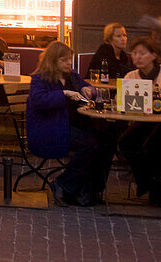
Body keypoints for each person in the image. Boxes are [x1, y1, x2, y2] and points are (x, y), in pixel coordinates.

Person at [27, 41, 105, 207]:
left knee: (106, 139)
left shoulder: (72, 76)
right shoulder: (40, 79)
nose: (69, 63)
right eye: (64, 60)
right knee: (91, 144)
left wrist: (89, 90)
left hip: (71, 126)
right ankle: (65, 184)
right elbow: (40, 101)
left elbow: (89, 88)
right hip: (49, 129)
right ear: (53, 61)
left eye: (70, 59)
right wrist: (64, 93)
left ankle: (87, 189)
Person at [118, 38, 161, 206]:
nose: (137, 57)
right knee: (125, 143)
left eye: (142, 53)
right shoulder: (131, 76)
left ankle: (152, 185)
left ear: (154, 55)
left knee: (155, 145)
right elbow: (121, 101)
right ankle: (151, 182)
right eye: (134, 53)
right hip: (142, 122)